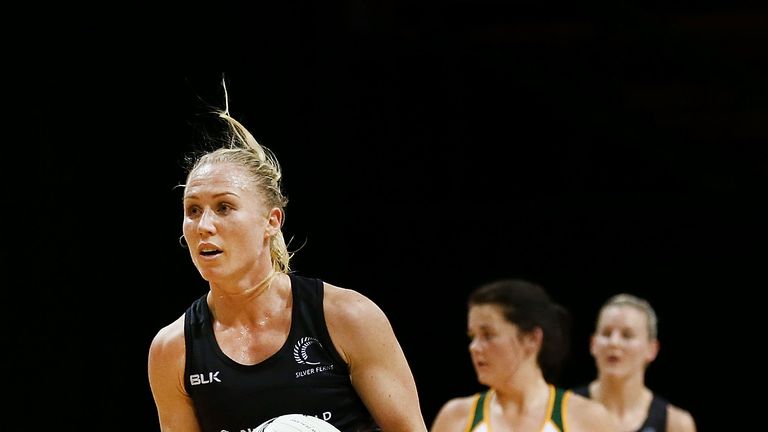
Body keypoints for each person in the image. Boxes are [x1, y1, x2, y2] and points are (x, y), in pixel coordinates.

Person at [147, 82, 428, 432]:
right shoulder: (172, 349)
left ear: (271, 221)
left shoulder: (346, 316)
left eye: (224, 207)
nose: (204, 225)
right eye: (193, 210)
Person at [430, 279, 619, 432]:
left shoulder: (588, 419)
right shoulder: (455, 417)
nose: (474, 347)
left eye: (488, 335)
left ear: (532, 339)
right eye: (473, 337)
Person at [572, 293, 696, 432]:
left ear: (652, 349)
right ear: (593, 344)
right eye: (606, 333)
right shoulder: (564, 410)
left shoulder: (675, 423)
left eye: (627, 335)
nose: (614, 343)